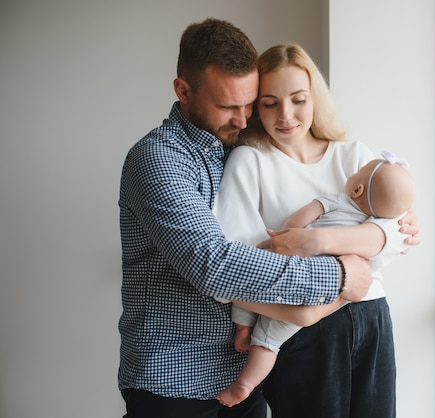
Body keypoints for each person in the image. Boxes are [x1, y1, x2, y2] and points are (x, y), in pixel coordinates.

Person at [117, 18, 396, 418]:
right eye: (229, 106)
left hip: (242, 377)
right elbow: (215, 265)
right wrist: (341, 276)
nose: (243, 116)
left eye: (250, 103)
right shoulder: (159, 159)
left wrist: (386, 229)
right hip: (174, 377)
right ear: (183, 91)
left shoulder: (234, 147)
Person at [214, 43, 415, 418]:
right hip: (295, 327)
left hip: (371, 316)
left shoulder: (353, 155)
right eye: (270, 102)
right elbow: (238, 260)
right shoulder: (250, 160)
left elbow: (397, 239)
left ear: (315, 99)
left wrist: (317, 240)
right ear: (256, 106)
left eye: (298, 99)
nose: (285, 115)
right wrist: (359, 252)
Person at [216, 152, 416, 408]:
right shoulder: (371, 219)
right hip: (343, 294)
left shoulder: (336, 197)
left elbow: (295, 225)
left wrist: (290, 235)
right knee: (271, 338)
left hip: (305, 285)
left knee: (266, 338)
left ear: (356, 188)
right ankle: (244, 383)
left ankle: (244, 350)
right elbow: (392, 233)